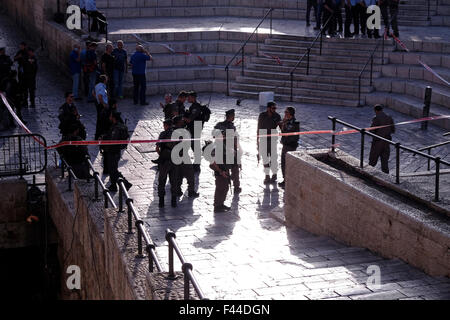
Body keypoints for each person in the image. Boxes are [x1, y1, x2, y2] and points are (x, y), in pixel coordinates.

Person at [102, 111, 132, 192]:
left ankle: (126, 183)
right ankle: (113, 185)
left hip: (113, 151)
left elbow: (113, 140)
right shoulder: (117, 125)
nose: (109, 117)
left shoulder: (116, 128)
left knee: (113, 170)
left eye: (111, 116)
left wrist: (105, 140)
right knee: (112, 169)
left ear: (113, 118)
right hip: (115, 151)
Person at [214, 109, 242, 193]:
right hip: (228, 151)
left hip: (224, 151)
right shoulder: (230, 126)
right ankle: (236, 187)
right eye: (233, 116)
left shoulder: (219, 125)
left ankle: (230, 184)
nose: (234, 117)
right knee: (234, 169)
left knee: (229, 168)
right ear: (231, 116)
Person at [171, 115, 198, 199]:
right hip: (183, 155)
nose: (183, 121)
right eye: (181, 121)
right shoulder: (181, 131)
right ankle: (191, 191)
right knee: (190, 174)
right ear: (178, 122)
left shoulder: (172, 131)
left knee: (178, 174)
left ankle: (177, 191)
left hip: (175, 156)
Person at [209, 128, 233, 213]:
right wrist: (220, 171)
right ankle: (217, 206)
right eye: (221, 135)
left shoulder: (222, 145)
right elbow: (212, 162)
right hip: (220, 171)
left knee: (225, 188)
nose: (223, 136)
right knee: (220, 188)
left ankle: (221, 204)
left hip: (225, 170)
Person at [185, 91, 210, 172]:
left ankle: (197, 165)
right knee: (194, 145)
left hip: (196, 127)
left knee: (195, 146)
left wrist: (182, 118)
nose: (187, 99)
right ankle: (196, 164)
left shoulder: (196, 107)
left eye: (189, 97)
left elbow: (190, 119)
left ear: (193, 98)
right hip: (195, 127)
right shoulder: (194, 106)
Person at [257, 101, 281, 184]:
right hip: (263, 139)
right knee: (265, 158)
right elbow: (258, 128)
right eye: (273, 108)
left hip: (272, 140)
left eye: (275, 108)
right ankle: (267, 175)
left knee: (273, 158)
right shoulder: (262, 115)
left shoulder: (277, 116)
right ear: (268, 108)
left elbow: (281, 128)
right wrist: (257, 142)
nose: (275, 110)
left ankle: (274, 174)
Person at [156, 119, 178, 208]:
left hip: (165, 161)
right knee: (174, 181)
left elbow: (157, 148)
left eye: (164, 125)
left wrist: (161, 155)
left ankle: (161, 202)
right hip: (175, 160)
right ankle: (173, 202)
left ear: (166, 125)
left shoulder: (163, 134)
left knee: (162, 180)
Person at [368, 104, 395, 174]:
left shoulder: (376, 118)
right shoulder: (389, 117)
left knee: (373, 160)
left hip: (378, 141)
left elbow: (371, 130)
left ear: (375, 110)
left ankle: (368, 173)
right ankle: (386, 176)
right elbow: (393, 130)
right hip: (386, 141)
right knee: (385, 160)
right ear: (382, 110)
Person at [278, 107, 300, 189]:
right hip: (285, 145)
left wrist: (284, 124)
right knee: (283, 163)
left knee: (288, 164)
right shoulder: (286, 121)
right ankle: (285, 180)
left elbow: (291, 134)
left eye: (286, 112)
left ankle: (288, 181)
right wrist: (282, 124)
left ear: (290, 113)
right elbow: (283, 131)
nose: (285, 113)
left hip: (290, 146)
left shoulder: (295, 123)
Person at [94, 74, 109, 139]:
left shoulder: (97, 86)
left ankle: (97, 135)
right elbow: (100, 96)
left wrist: (96, 99)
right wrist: (103, 103)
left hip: (98, 104)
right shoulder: (102, 87)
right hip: (102, 105)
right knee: (102, 121)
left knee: (99, 120)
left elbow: (93, 93)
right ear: (104, 80)